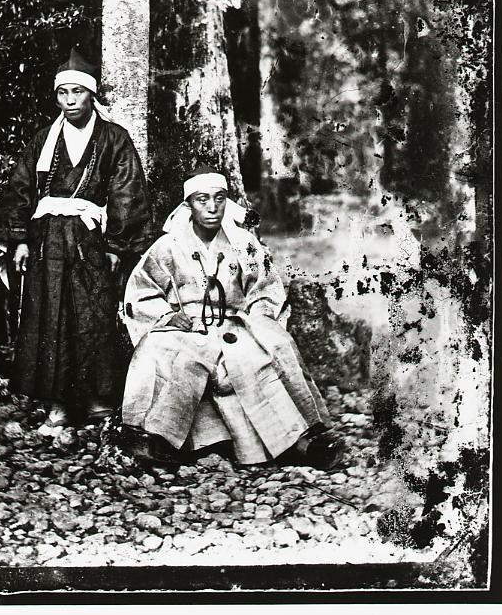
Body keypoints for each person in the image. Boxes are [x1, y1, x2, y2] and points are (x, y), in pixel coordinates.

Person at [120, 169, 345, 469]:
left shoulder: (244, 243)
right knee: (161, 351)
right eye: (202, 200)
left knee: (259, 355)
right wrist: (168, 316)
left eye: (219, 199)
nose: (212, 207)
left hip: (234, 323)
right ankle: (154, 439)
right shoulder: (168, 245)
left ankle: (301, 443)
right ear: (188, 205)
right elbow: (142, 290)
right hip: (187, 328)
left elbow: (266, 289)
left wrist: (258, 320)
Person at [0, 49, 154, 430]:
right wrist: (20, 239)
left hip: (89, 240)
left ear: (91, 94)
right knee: (49, 317)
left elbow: (126, 192)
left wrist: (116, 245)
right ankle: (57, 402)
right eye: (63, 93)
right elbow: (21, 188)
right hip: (47, 241)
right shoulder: (44, 140)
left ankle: (97, 398)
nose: (70, 101)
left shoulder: (113, 138)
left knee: (93, 315)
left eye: (77, 92)